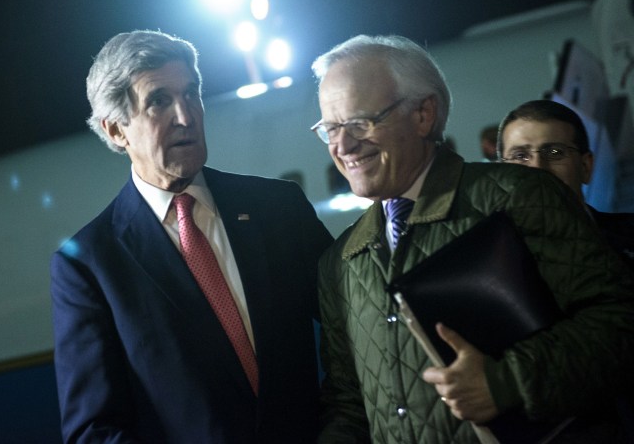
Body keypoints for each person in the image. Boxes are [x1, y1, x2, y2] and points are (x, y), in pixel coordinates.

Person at [309, 34, 634, 443]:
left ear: (424, 114)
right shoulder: (340, 261)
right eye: (331, 128)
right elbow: (348, 404)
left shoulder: (518, 197)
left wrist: (506, 382)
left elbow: (620, 321)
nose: (343, 145)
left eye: (360, 122)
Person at [51, 30, 333, 443]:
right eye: (159, 101)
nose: (186, 116)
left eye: (191, 93)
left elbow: (357, 325)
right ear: (116, 131)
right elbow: (94, 431)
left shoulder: (278, 208)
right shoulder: (89, 265)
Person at [498, 99, 634, 269]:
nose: (538, 168)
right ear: (501, 174)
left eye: (555, 152)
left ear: (585, 167)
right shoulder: (484, 258)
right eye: (520, 156)